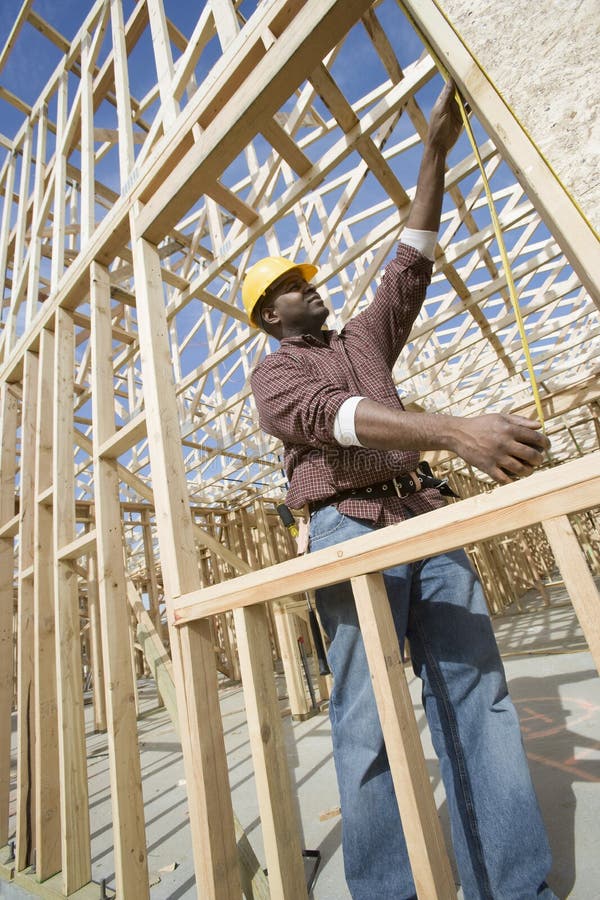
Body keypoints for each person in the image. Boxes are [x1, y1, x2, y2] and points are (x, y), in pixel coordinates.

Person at [245, 81, 557, 900]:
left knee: (477, 693)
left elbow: (409, 260)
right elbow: (332, 419)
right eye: (292, 285)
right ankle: (387, 889)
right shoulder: (275, 375)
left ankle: (510, 885)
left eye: (308, 278)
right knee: (367, 716)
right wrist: (452, 430)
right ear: (269, 314)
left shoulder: (363, 339)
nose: (311, 286)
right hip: (348, 528)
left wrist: (433, 152)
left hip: (424, 515)